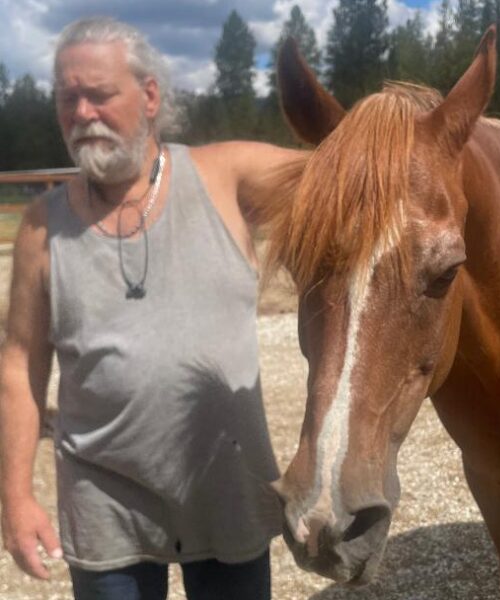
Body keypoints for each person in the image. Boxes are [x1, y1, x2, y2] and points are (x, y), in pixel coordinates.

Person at [0, 16, 299, 600]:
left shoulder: (226, 177)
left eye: (99, 94)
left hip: (228, 484)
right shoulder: (42, 228)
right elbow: (19, 363)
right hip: (103, 500)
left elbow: (348, 178)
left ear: (150, 96)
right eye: (67, 98)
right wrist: (14, 498)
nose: (82, 113)